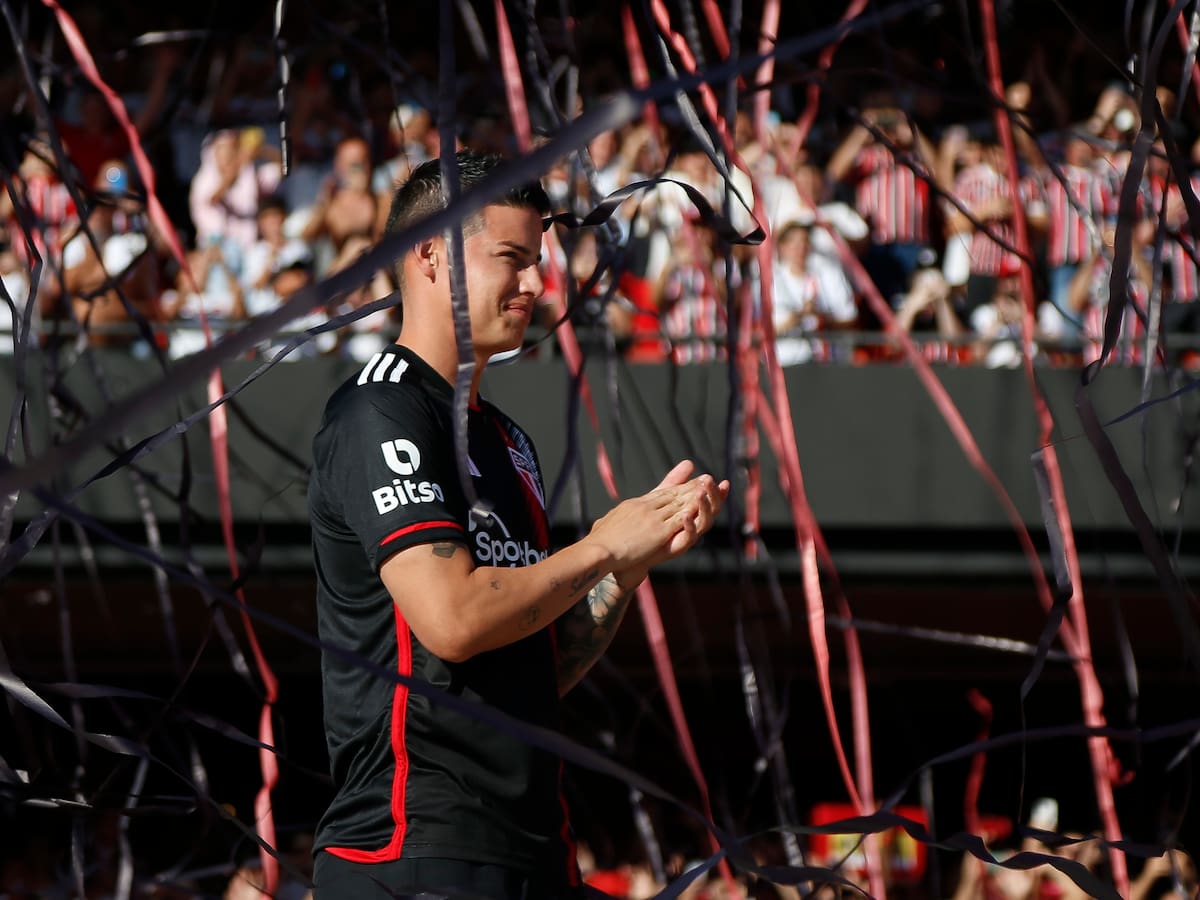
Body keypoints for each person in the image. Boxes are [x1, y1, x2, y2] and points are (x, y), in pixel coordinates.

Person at [307, 150, 729, 899]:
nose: (537, 285)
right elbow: (455, 619)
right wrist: (599, 544)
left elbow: (535, 667)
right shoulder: (382, 409)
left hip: (532, 856)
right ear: (432, 254)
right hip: (412, 855)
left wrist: (624, 568)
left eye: (539, 261)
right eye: (513, 259)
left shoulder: (508, 440)